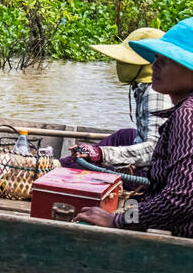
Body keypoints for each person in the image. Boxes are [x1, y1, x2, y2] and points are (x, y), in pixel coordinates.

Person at [76, 17, 193, 246]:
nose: (154, 66)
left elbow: (181, 199)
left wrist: (119, 220)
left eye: (166, 61)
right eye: (156, 59)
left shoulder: (192, 115)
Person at [62, 27, 171, 171]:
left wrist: (102, 154)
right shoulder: (145, 88)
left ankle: (57, 168)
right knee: (125, 135)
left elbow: (154, 150)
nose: (119, 64)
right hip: (150, 161)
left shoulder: (155, 92)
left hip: (153, 173)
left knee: (98, 176)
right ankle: (61, 164)